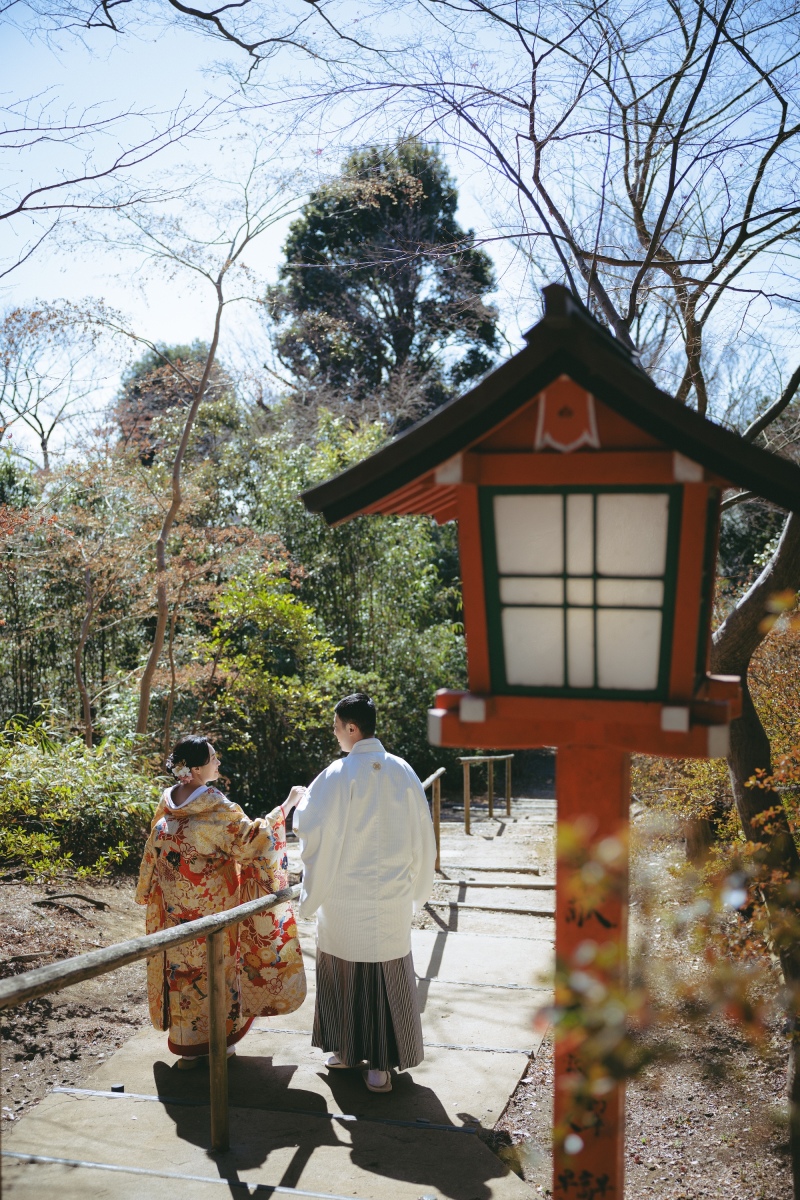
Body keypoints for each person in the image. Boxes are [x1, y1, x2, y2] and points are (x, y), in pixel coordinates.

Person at [136, 735, 307, 1069]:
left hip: (176, 915)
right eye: (214, 758)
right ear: (197, 769)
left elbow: (150, 858)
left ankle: (187, 1047)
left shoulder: (167, 812)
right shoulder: (216, 813)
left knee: (183, 975)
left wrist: (147, 891)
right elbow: (254, 841)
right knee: (216, 972)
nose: (219, 763)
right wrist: (285, 807)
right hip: (215, 915)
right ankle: (218, 1044)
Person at [294, 693, 436, 1094]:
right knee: (385, 975)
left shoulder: (337, 774)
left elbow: (310, 826)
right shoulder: (403, 771)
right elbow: (423, 834)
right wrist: (419, 884)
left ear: (351, 728)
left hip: (344, 897)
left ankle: (348, 1050)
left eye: (337, 726)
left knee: (344, 973)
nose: (335, 733)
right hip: (391, 895)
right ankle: (378, 1065)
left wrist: (299, 804)